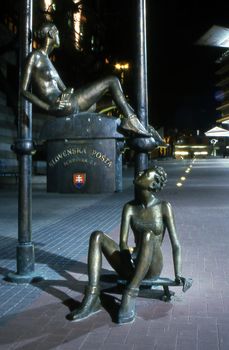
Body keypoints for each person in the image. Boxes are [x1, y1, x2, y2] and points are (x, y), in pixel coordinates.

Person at [67, 166, 190, 324]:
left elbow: (176, 244)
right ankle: (92, 297)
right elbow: (123, 241)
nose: (139, 173)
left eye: (145, 174)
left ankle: (130, 293)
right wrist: (127, 255)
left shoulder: (163, 207)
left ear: (153, 184)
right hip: (131, 264)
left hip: (152, 266)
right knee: (97, 236)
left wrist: (178, 273)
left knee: (147, 234)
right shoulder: (130, 208)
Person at [21, 22, 158, 138]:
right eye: (57, 32)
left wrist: (68, 90)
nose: (59, 36)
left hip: (69, 103)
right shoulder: (35, 56)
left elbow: (64, 89)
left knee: (114, 101)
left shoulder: (48, 61)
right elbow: (23, 90)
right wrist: (49, 108)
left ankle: (141, 123)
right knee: (112, 80)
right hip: (65, 105)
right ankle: (133, 122)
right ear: (51, 33)